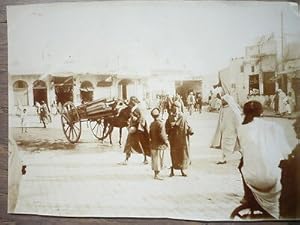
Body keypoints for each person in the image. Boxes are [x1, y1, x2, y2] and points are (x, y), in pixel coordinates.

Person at [224, 95, 291, 219]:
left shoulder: (242, 129)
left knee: (242, 163)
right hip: (273, 178)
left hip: (252, 179)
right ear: (262, 112)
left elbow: (244, 150)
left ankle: (248, 196)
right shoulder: (274, 126)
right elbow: (286, 151)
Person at [165, 102, 193, 177]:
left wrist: (190, 130)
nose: (176, 110)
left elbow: (186, 125)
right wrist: (170, 130)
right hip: (173, 139)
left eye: (178, 108)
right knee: (173, 154)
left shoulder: (183, 117)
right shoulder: (170, 118)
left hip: (182, 139)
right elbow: (166, 128)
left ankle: (182, 170)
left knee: (182, 155)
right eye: (175, 108)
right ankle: (172, 170)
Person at [121, 96, 151, 165]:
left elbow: (142, 119)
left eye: (131, 103)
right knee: (129, 144)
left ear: (134, 103)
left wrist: (136, 120)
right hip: (133, 129)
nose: (130, 104)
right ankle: (126, 159)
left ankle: (145, 159)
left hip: (138, 129)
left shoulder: (138, 109)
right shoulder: (132, 109)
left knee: (141, 144)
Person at [210, 95, 240, 164]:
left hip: (231, 129)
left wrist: (237, 128)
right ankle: (225, 157)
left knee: (227, 144)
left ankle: (224, 159)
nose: (222, 101)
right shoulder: (222, 108)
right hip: (223, 130)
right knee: (227, 144)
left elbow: (238, 119)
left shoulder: (233, 109)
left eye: (223, 100)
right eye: (222, 100)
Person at [149, 108, 169, 180]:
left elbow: (150, 135)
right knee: (158, 160)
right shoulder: (160, 123)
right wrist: (166, 142)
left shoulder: (152, 124)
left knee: (154, 159)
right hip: (159, 145)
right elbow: (162, 134)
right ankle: (157, 175)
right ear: (159, 115)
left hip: (153, 144)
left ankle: (155, 174)